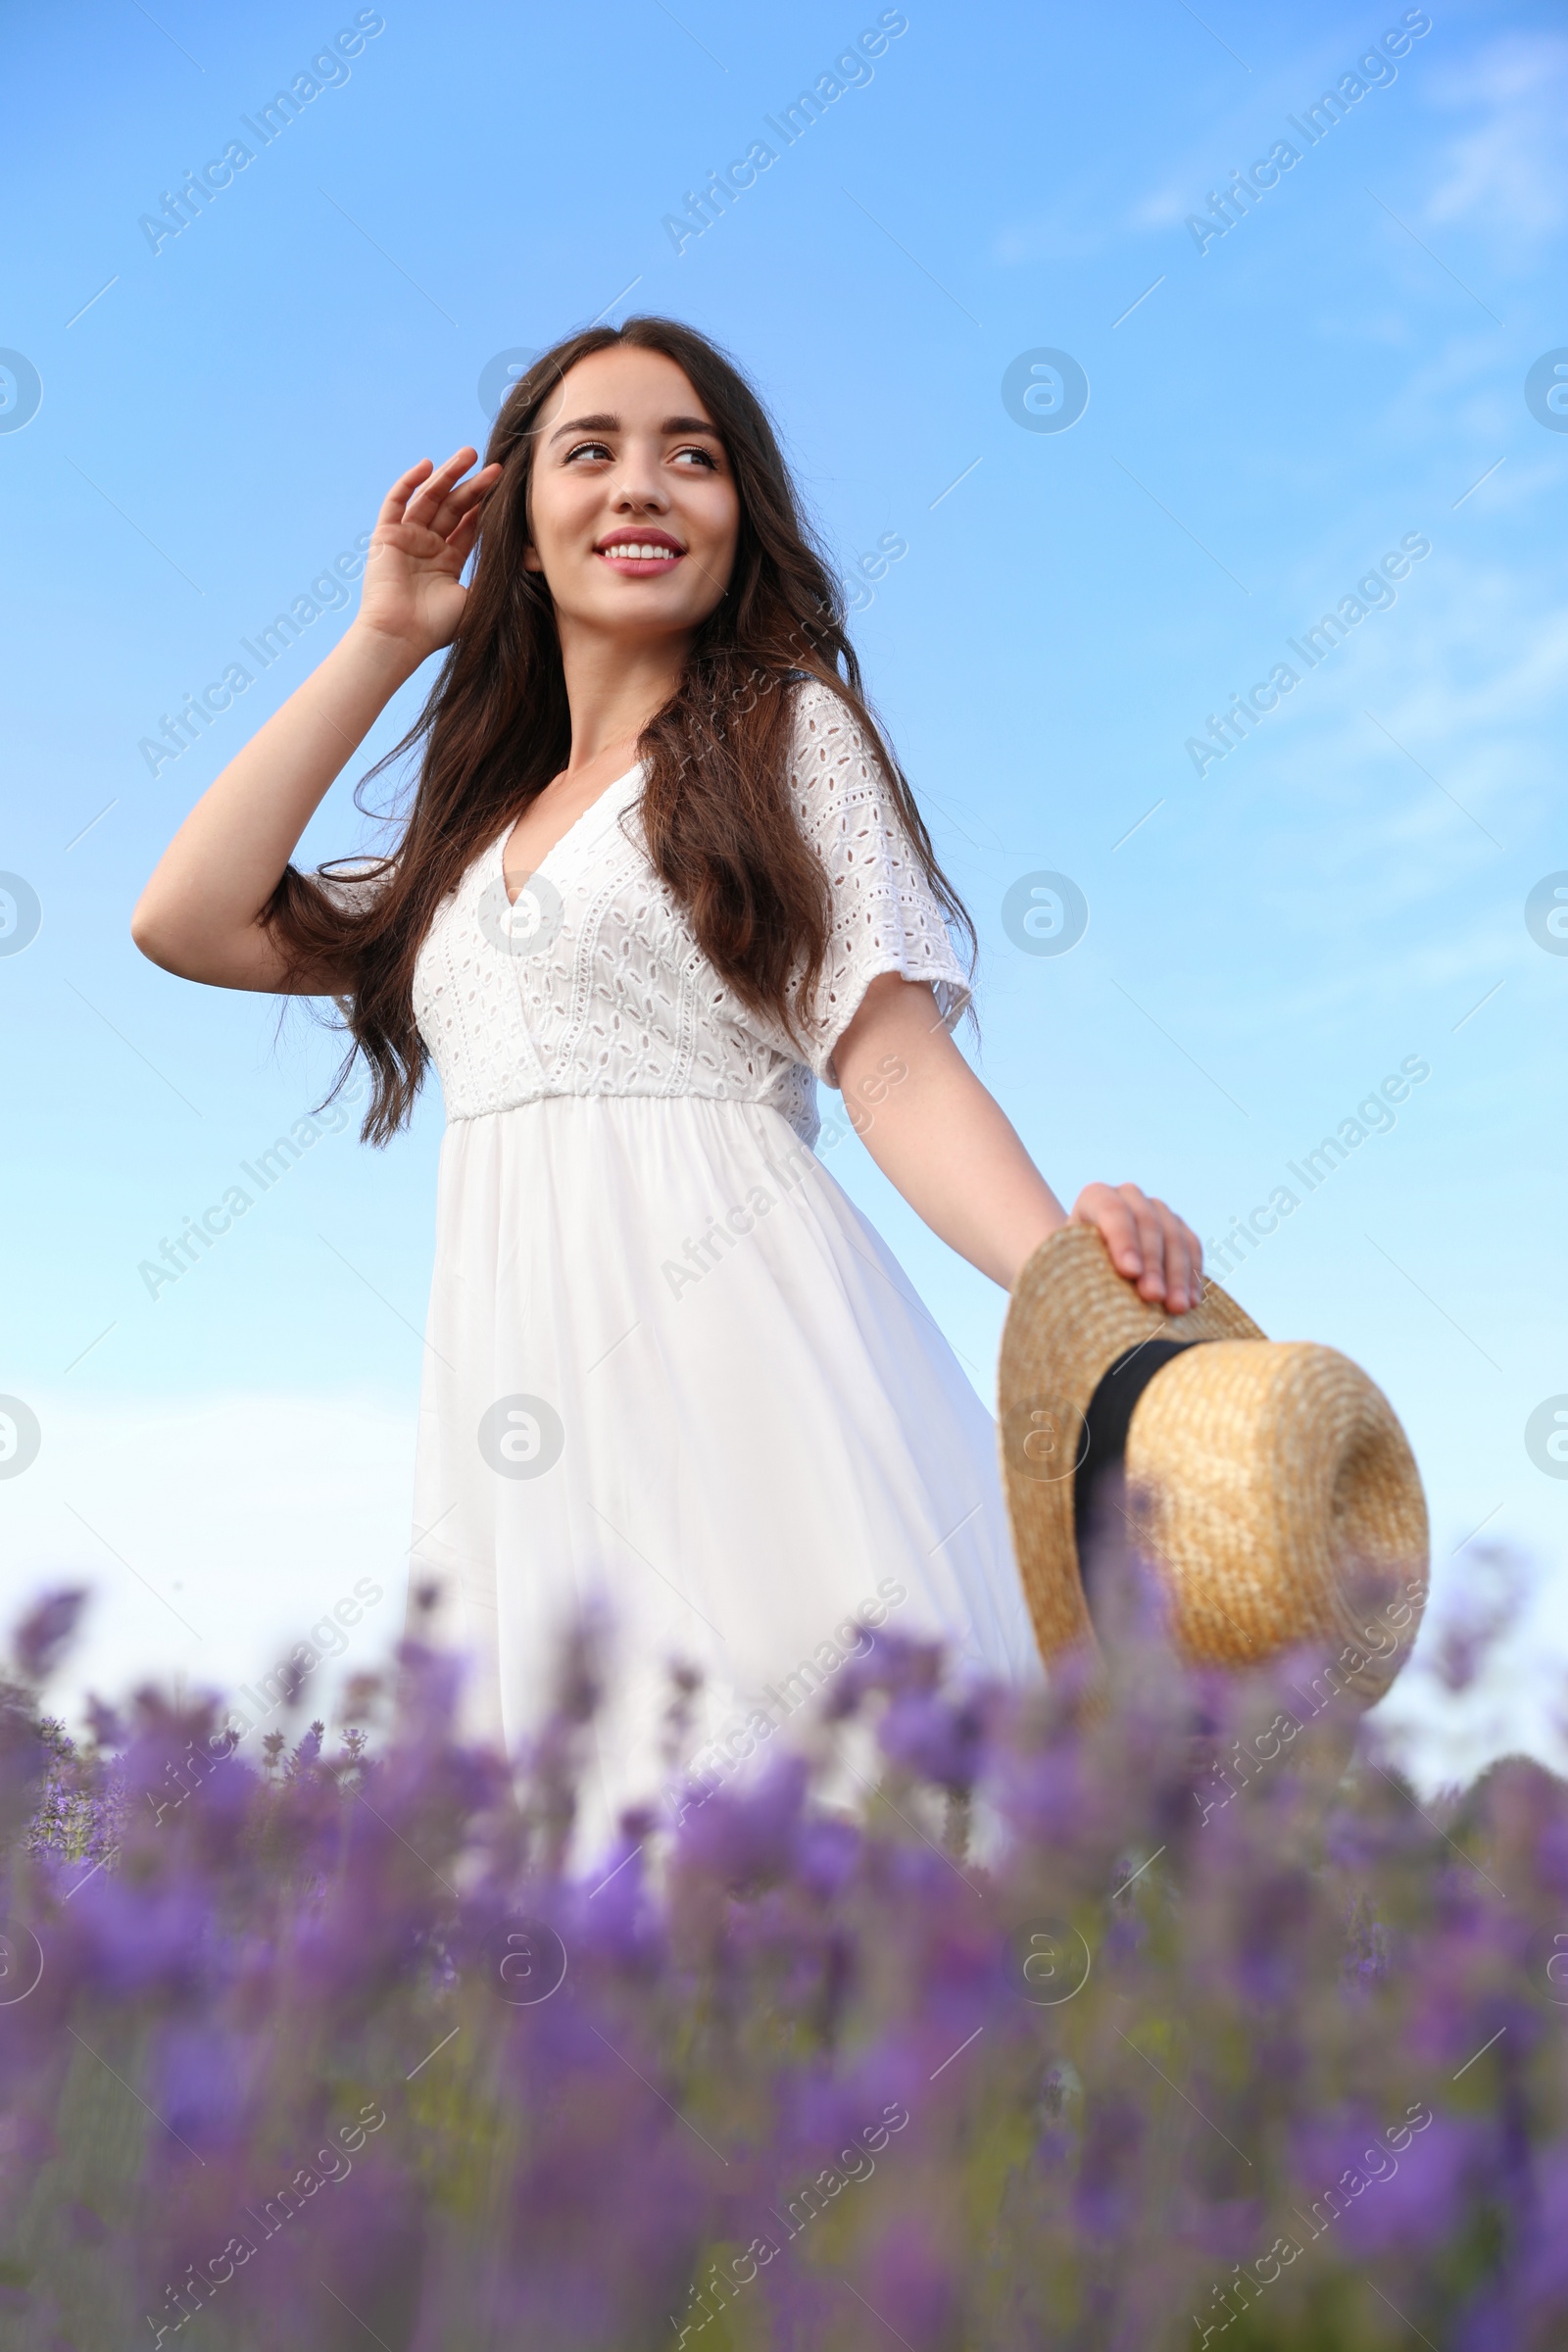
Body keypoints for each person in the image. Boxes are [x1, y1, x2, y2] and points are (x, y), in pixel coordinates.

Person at [131, 316, 1202, 1838]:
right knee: (600, 1883)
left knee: (830, 1825)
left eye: (689, 457)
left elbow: (889, 1063)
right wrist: (385, 636)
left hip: (748, 1359)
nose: (642, 488)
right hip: (519, 1411)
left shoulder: (783, 733)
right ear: (516, 517)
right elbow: (185, 917)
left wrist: (1065, 1278)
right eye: (592, 453)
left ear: (739, 514)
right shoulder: (464, 845)